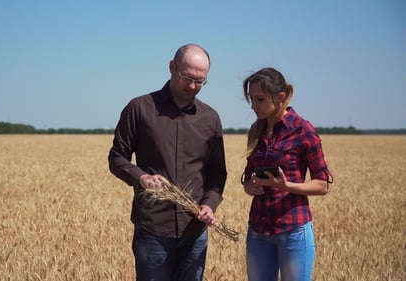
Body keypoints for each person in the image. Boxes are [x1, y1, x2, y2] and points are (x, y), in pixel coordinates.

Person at [108, 43, 227, 281]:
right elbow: (116, 158)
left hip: (195, 232)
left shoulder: (210, 118)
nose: (193, 86)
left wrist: (209, 205)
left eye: (200, 81)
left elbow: (217, 173)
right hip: (153, 229)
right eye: (187, 78)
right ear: (172, 67)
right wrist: (141, 178)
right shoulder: (139, 108)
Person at [240, 67, 333, 281]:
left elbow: (322, 184)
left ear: (280, 97)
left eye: (260, 99)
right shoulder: (257, 130)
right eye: (251, 99)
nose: (254, 106)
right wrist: (249, 185)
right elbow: (247, 175)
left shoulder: (303, 130)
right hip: (258, 230)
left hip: (293, 231)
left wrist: (286, 186)